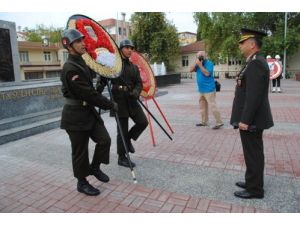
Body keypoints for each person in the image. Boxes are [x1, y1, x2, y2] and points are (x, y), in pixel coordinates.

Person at [60, 29, 118, 196]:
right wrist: (109, 104)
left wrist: (103, 79)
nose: (83, 43)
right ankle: (82, 182)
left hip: (88, 112)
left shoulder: (82, 62)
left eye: (82, 40)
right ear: (69, 46)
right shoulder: (70, 68)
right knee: (80, 151)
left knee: (104, 140)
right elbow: (87, 94)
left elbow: (92, 89)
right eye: (78, 42)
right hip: (75, 116)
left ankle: (95, 167)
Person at [230, 28, 274, 199]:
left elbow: (254, 96)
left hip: (252, 120)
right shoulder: (252, 62)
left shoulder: (256, 63)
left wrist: (245, 120)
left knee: (253, 153)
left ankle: (255, 189)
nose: (240, 45)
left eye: (243, 42)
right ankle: (251, 181)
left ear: (252, 44)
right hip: (252, 119)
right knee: (252, 153)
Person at [97, 39, 148, 168]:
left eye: (131, 48)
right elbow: (103, 79)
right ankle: (122, 157)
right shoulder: (113, 65)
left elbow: (139, 83)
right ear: (120, 49)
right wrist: (99, 87)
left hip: (131, 99)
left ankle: (128, 139)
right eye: (127, 47)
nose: (130, 50)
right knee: (122, 130)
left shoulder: (133, 67)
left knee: (143, 122)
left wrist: (136, 92)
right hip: (118, 100)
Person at [190, 51, 223, 129]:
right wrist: (196, 63)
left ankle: (219, 122)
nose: (200, 58)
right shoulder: (197, 63)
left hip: (209, 89)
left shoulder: (209, 63)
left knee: (213, 106)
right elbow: (190, 70)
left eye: (201, 56)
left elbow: (207, 74)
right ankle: (204, 122)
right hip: (201, 90)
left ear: (205, 56)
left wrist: (200, 65)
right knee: (202, 107)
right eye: (198, 56)